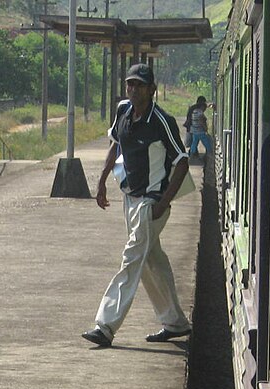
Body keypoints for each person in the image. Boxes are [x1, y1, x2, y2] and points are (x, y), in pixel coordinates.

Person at [81, 64, 193, 348]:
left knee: (132, 257)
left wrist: (163, 202)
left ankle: (105, 326)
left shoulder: (161, 121)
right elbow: (115, 144)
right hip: (129, 198)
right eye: (130, 84)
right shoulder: (123, 111)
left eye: (140, 85)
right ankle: (175, 322)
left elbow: (182, 161)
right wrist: (103, 180)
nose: (133, 89)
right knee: (150, 261)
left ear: (152, 89)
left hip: (151, 202)